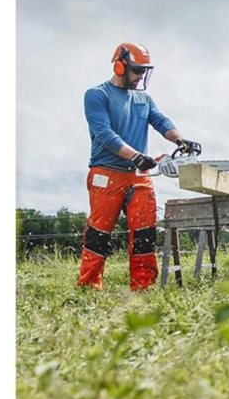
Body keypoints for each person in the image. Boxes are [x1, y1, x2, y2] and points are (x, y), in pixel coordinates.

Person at [78, 41, 200, 290]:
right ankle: (89, 286)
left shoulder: (144, 98)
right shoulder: (96, 95)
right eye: (136, 71)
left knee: (145, 234)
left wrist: (180, 139)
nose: (139, 77)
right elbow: (104, 133)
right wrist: (134, 155)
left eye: (143, 72)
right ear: (120, 66)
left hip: (139, 176)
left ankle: (142, 287)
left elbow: (161, 121)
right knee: (99, 234)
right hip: (107, 174)